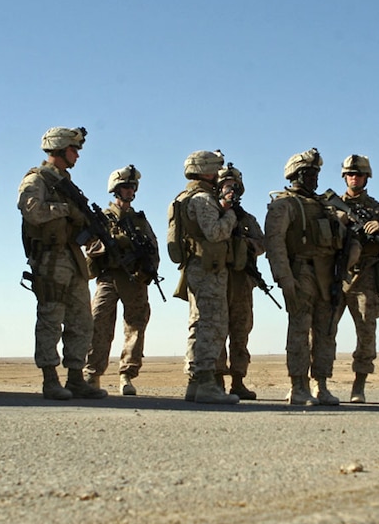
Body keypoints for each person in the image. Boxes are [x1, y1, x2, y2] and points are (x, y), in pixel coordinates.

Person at [17, 126, 108, 401]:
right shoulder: (37, 180)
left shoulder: (66, 185)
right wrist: (67, 210)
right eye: (74, 149)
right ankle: (50, 380)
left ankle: (76, 378)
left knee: (82, 320)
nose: (78, 155)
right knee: (50, 319)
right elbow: (31, 210)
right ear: (59, 148)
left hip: (73, 259)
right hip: (50, 259)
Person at [264, 148, 345, 405]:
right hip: (301, 272)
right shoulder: (284, 204)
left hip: (327, 274)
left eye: (316, 173)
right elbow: (275, 244)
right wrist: (285, 279)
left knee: (326, 330)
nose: (315, 178)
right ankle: (299, 385)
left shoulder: (326, 205)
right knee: (299, 329)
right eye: (309, 173)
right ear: (296, 175)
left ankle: (321, 384)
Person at [331, 154, 379, 403]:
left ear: (366, 178)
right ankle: (316, 382)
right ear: (344, 177)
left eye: (359, 174)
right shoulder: (330, 206)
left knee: (366, 332)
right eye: (350, 174)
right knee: (322, 330)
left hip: (366, 277)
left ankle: (358, 386)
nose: (354, 178)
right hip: (335, 275)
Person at [168, 150, 240, 405]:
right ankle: (207, 384)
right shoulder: (202, 199)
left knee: (198, 325)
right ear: (206, 170)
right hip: (208, 270)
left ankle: (195, 384)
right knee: (213, 324)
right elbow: (215, 232)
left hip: (197, 268)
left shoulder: (186, 196)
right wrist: (229, 212)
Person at [82, 165, 159, 396]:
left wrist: (148, 269)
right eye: (125, 187)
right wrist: (105, 247)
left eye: (132, 187)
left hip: (134, 279)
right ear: (116, 190)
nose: (129, 191)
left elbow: (153, 248)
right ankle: (92, 374)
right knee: (98, 323)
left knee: (135, 326)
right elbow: (88, 244)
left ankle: (127, 375)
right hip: (108, 277)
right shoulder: (101, 219)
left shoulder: (139, 220)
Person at [216, 162, 265, 400]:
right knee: (217, 330)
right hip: (219, 279)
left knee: (241, 330)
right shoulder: (214, 214)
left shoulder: (247, 219)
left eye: (234, 186)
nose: (231, 190)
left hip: (242, 281)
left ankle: (238, 380)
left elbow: (261, 244)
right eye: (226, 185)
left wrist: (245, 247)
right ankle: (215, 381)